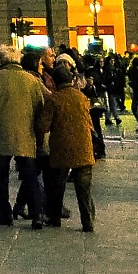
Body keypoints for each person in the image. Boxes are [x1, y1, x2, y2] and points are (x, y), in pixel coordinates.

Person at [0, 45, 46, 228]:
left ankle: (5, 214)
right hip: (25, 134)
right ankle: (37, 214)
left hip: (2, 134)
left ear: (1, 60)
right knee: (30, 176)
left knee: (1, 176)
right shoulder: (31, 79)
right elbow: (39, 107)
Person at [43, 59, 97, 233]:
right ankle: (88, 221)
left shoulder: (54, 99)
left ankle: (55, 217)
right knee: (84, 187)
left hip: (61, 148)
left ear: (55, 82)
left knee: (57, 185)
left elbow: (43, 126)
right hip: (84, 147)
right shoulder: (81, 97)